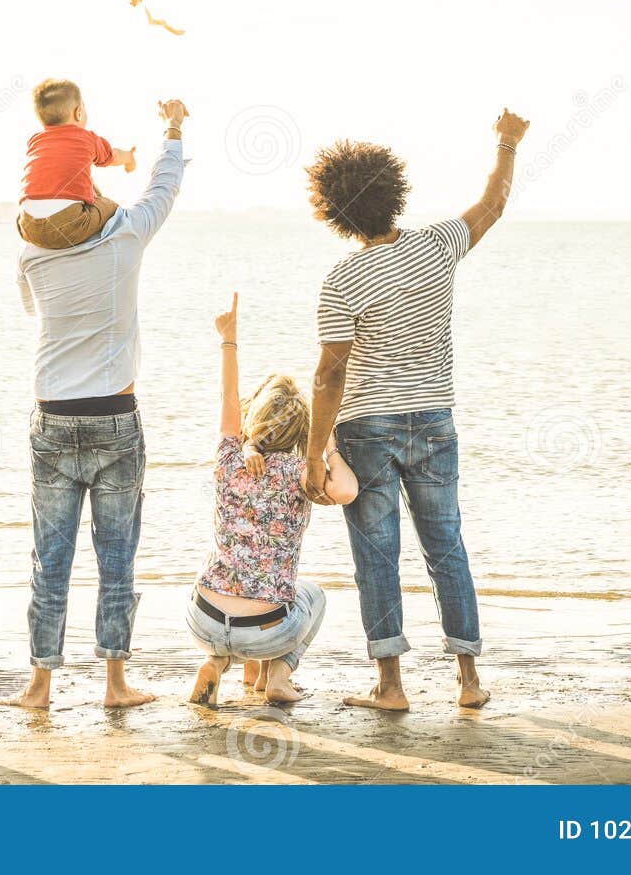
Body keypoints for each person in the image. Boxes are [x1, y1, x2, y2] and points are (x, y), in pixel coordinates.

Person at [303, 108, 531, 712]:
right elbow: (494, 203)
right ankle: (469, 680)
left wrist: (312, 454)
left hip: (365, 428)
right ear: (392, 193)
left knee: (376, 555)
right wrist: (507, 142)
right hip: (433, 419)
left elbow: (330, 375)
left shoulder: (342, 279)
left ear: (334, 210)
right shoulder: (437, 244)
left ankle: (391, 686)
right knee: (446, 547)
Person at [0, 96, 189, 710]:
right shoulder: (128, 234)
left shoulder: (30, 250)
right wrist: (173, 130)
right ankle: (114, 684)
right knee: (116, 557)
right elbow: (162, 187)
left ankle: (39, 685)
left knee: (49, 559)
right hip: (115, 416)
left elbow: (33, 313)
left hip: (52, 417)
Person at [186, 293, 356, 708]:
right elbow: (348, 491)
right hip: (264, 630)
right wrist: (327, 443)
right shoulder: (302, 476)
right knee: (311, 594)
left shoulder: (229, 459)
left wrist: (229, 338)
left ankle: (214, 662)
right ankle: (278, 677)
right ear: (302, 431)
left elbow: (229, 393)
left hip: (203, 618)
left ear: (253, 419)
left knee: (240, 588)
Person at [16, 77, 138, 250]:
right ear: (78, 112)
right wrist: (129, 159)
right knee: (111, 207)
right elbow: (114, 156)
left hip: (27, 226)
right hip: (69, 224)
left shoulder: (35, 140)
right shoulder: (87, 139)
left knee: (77, 180)